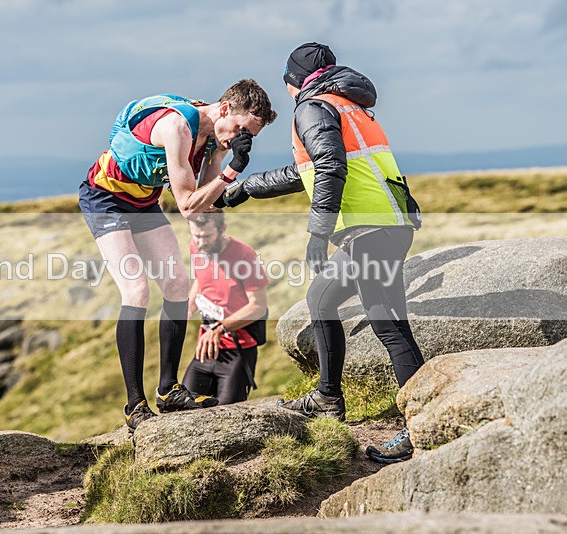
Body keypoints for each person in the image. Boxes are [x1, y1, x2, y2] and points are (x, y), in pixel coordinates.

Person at [216, 43, 424, 463]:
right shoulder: (348, 105)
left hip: (370, 231)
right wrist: (246, 189)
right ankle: (328, 397)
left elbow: (329, 168)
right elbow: (307, 170)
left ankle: (420, 426)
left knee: (390, 328)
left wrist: (318, 234)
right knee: (321, 299)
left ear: (291, 81)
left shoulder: (310, 108)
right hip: (384, 225)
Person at [79, 80, 276, 431]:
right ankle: (134, 404)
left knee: (177, 284)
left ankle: (168, 390)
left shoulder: (214, 136)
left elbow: (206, 204)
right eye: (242, 130)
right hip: (105, 198)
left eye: (250, 137)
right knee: (137, 291)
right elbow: (187, 206)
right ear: (226, 109)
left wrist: (223, 156)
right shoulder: (178, 127)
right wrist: (235, 168)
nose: (239, 139)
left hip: (142, 202)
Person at [182, 210, 268, 404]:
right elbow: (200, 280)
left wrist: (221, 328)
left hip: (238, 350)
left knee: (227, 415)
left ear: (222, 230)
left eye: (207, 236)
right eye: (196, 236)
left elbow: (259, 306)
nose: (201, 242)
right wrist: (188, 307)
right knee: (182, 407)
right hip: (206, 347)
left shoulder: (244, 254)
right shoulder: (197, 247)